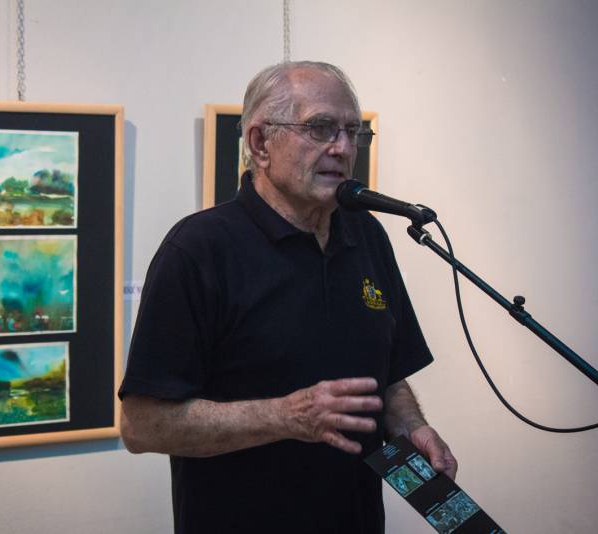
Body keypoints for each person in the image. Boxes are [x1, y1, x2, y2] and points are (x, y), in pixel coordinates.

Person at [119, 61, 457, 534]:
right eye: (320, 128)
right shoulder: (198, 250)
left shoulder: (367, 235)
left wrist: (410, 428)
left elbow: (387, 376)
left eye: (353, 132)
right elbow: (141, 425)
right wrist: (284, 417)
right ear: (260, 143)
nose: (343, 148)